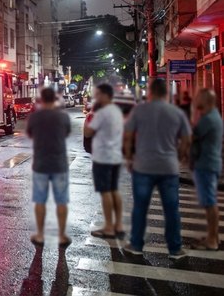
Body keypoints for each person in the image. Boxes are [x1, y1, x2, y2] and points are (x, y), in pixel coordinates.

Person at [123, 78, 192, 259]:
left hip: (143, 166)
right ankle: (175, 249)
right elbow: (186, 139)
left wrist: (129, 157)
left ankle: (137, 244)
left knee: (140, 208)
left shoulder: (139, 111)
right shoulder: (176, 113)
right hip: (168, 168)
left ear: (150, 92)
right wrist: (178, 157)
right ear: (166, 93)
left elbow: (128, 136)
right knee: (171, 210)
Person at [27, 87, 72, 247]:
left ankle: (40, 234)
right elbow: (66, 133)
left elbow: (30, 134)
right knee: (61, 201)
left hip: (40, 163)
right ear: (54, 99)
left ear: (41, 99)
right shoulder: (63, 116)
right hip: (59, 163)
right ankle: (61, 235)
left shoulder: (35, 117)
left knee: (40, 200)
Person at [83, 84, 126, 239]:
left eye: (98, 94)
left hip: (102, 156)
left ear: (105, 95)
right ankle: (118, 224)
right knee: (114, 189)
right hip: (115, 155)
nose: (97, 97)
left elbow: (88, 132)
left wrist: (88, 118)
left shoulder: (101, 113)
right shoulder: (116, 111)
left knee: (105, 191)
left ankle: (108, 227)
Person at [190, 89, 222, 250]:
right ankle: (213, 235)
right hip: (210, 163)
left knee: (210, 203)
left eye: (198, 99)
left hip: (206, 164)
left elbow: (192, 136)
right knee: (210, 201)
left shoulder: (207, 119)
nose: (196, 102)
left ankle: (212, 239)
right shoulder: (213, 116)